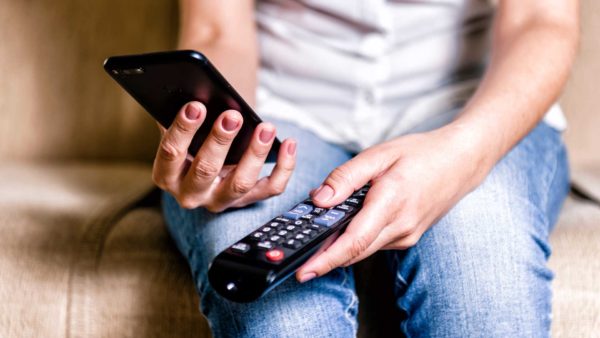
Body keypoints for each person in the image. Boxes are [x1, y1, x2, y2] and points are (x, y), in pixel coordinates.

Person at [156, 1, 578, 337]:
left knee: (480, 256)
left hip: (472, 105)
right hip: (278, 110)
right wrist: (222, 138)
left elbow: (540, 19)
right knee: (276, 307)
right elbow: (217, 29)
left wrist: (465, 152)